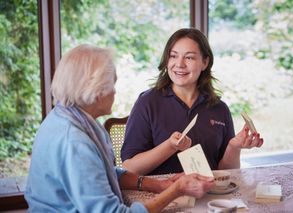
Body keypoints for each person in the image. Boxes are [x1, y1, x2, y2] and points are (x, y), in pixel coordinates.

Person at [24, 44, 214, 212]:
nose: (115, 91)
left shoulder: (69, 117)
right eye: (112, 85)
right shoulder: (74, 141)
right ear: (97, 92)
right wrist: (176, 190)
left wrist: (160, 184)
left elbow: (103, 172)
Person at [121, 28, 264, 175]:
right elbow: (130, 168)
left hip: (209, 195)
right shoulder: (147, 102)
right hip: (164, 195)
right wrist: (170, 146)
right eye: (173, 56)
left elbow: (226, 174)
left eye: (189, 57)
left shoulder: (219, 109)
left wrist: (234, 147)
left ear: (205, 62)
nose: (179, 64)